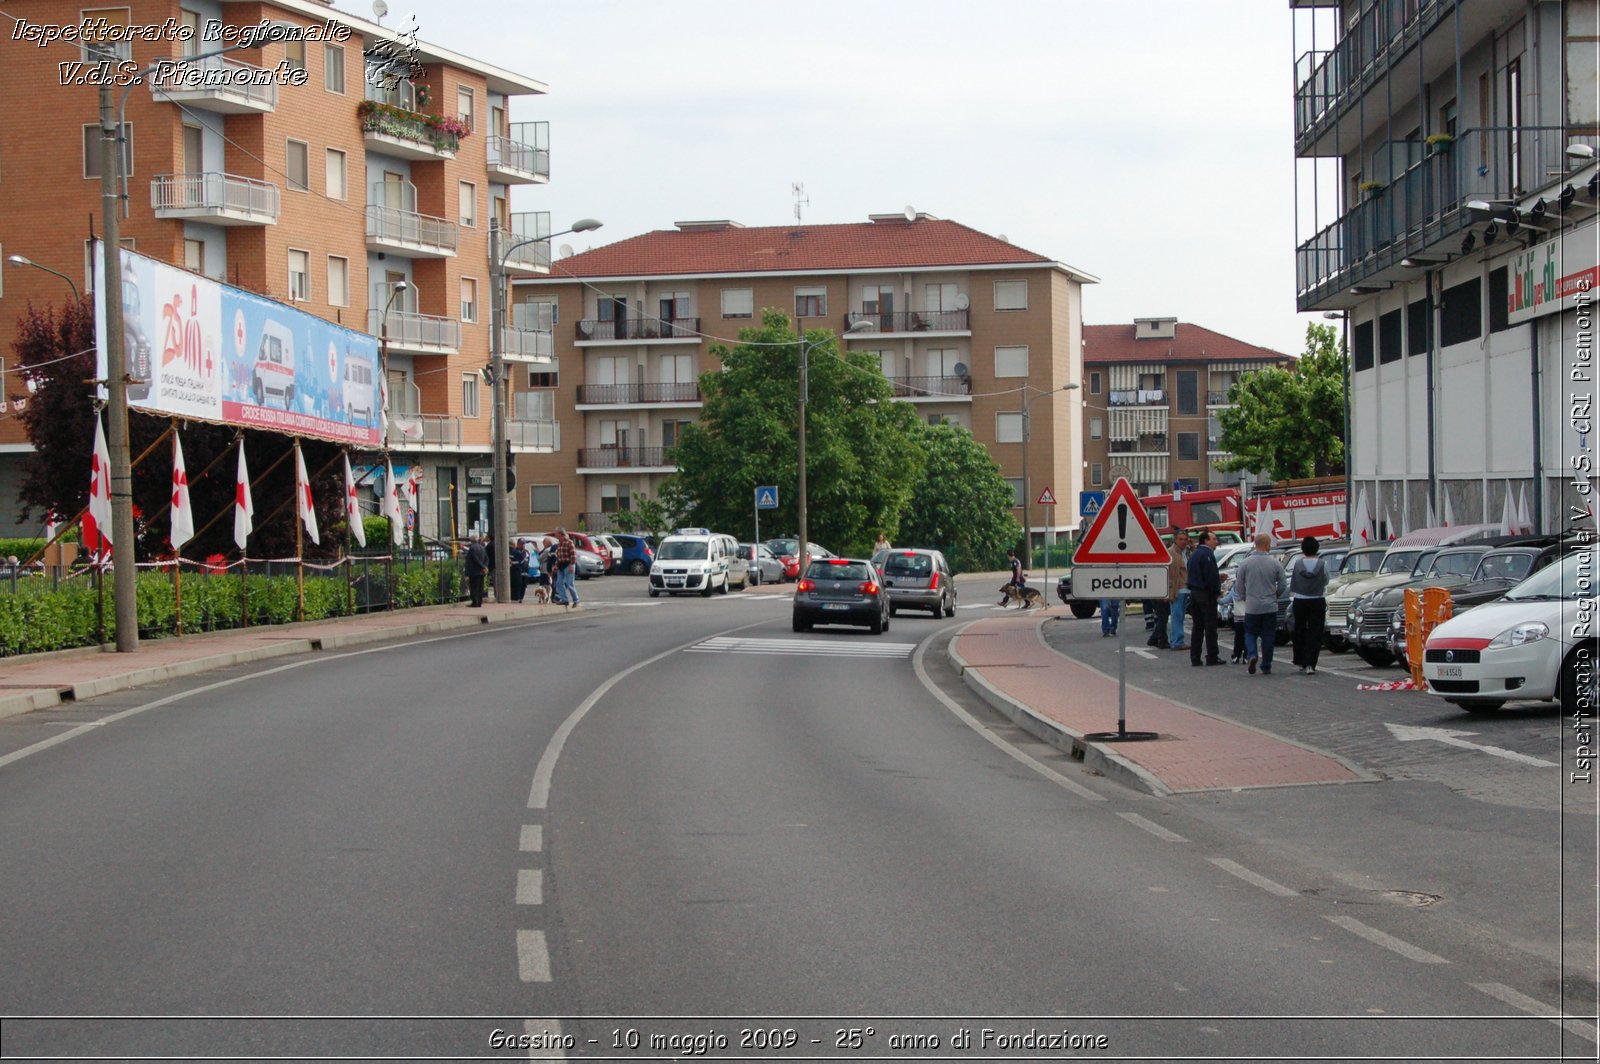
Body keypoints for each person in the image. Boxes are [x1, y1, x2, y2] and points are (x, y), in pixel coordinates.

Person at [1235, 533, 1289, 675]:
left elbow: (1239, 583)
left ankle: (1252, 654)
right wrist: (1276, 594)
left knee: (1250, 632)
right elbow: (1283, 583)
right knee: (1268, 635)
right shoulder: (1275, 563)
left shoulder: (1245, 563)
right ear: (1266, 544)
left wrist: (1243, 596)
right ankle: (1266, 665)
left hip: (1252, 605)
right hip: (1270, 605)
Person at [1289, 535, 1331, 674]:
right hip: (1317, 598)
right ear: (1316, 548)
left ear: (1303, 549)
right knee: (1315, 631)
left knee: (1300, 629)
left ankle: (1300, 659)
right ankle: (1311, 663)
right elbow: (1326, 580)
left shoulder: (1298, 564)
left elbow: (1293, 580)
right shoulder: (1322, 564)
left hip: (1300, 599)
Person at [1186, 530, 1223, 666]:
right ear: (1206, 541)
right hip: (1205, 594)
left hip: (1194, 593)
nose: (1216, 541)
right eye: (1214, 539)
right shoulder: (1207, 554)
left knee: (1198, 627)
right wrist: (1216, 591)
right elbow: (1210, 576)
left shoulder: (1195, 554)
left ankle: (1195, 657)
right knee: (1210, 627)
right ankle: (1212, 656)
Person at [1167, 530, 1192, 651]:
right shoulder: (1171, 553)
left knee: (1180, 616)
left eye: (1185, 539)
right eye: (1180, 539)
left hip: (1186, 588)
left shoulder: (1186, 552)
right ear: (1175, 540)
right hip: (1177, 589)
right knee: (1176, 616)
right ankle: (1177, 641)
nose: (1183, 542)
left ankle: (1177, 639)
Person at [553, 527, 579, 609]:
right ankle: (564, 599)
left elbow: (573, 554)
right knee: (559, 583)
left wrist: (572, 565)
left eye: (556, 533)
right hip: (561, 565)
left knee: (569, 583)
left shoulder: (569, 542)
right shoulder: (559, 543)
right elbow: (559, 555)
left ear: (561, 534)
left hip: (568, 565)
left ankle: (576, 600)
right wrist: (556, 565)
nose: (555, 534)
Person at [463, 531, 489, 608]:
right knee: (480, 587)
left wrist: (482, 566)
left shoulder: (472, 548)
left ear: (471, 541)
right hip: (481, 571)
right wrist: (485, 566)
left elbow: (475, 559)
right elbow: (486, 558)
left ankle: (475, 602)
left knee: (474, 587)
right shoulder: (482, 547)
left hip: (474, 571)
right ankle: (479, 602)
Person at [508, 539, 529, 603]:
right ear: (518, 544)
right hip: (517, 573)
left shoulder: (526, 552)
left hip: (525, 572)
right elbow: (513, 563)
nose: (523, 545)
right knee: (517, 587)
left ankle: (520, 599)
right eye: (522, 544)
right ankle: (516, 600)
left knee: (523, 587)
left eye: (524, 544)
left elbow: (527, 561)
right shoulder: (514, 552)